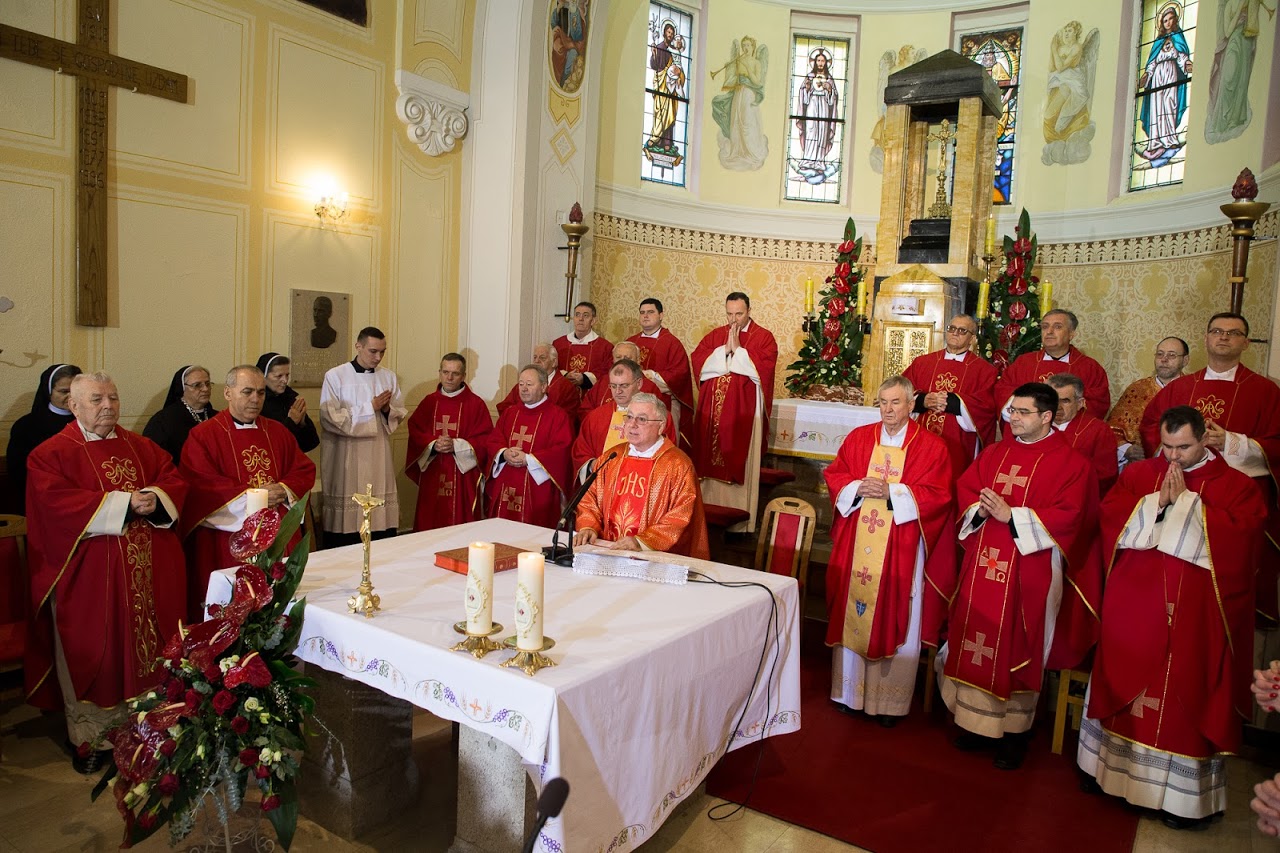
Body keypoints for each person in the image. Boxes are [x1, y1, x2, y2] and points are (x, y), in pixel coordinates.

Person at [1079, 406, 1266, 830]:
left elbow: (1243, 543)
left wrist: (1187, 506)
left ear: (1205, 440)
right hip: (1134, 608)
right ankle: (1108, 774)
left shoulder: (1237, 486)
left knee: (1186, 694)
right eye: (1166, 447)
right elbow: (1109, 519)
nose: (1174, 457)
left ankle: (1180, 802)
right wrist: (1156, 503)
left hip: (1194, 618)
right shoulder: (1139, 475)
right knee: (1123, 679)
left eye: (1183, 447)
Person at [24, 372, 187, 773]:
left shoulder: (140, 446)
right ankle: (94, 738)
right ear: (73, 405)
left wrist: (156, 497)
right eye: (96, 399)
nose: (108, 406)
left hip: (147, 572)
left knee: (150, 649)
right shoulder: (50, 454)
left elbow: (173, 478)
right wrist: (124, 505)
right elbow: (55, 505)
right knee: (98, 653)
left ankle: (152, 727)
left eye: (113, 397)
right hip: (90, 578)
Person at [938, 382, 1099, 770]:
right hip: (984, 562)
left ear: (1047, 416)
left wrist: (1013, 515)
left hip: (1031, 569)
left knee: (1020, 644)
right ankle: (975, 724)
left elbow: (1073, 517)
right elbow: (968, 488)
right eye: (1012, 411)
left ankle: (1015, 733)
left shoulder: (1071, 464)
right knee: (975, 634)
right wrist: (980, 509)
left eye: (1023, 412)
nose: (1013, 418)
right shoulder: (996, 452)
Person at [824, 377, 954, 726]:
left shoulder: (931, 446)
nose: (888, 409)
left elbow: (938, 494)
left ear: (912, 405)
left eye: (896, 402)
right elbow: (836, 475)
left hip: (902, 543)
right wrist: (856, 487)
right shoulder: (859, 438)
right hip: (858, 539)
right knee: (854, 607)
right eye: (883, 402)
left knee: (899, 607)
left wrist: (893, 492)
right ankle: (849, 694)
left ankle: (889, 703)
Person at [1140, 312, 1280, 624]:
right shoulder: (1180, 388)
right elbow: (1150, 426)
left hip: (1234, 493)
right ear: (1206, 338)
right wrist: (1181, 450)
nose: (1224, 337)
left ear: (1246, 343)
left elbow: (1277, 443)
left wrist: (1232, 442)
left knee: (1229, 566)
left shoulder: (1265, 390)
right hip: (1180, 483)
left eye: (1233, 333)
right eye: (1217, 331)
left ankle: (1228, 618)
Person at [180, 366, 316, 619]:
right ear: (228, 393)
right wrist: (256, 496)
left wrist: (283, 489)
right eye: (247, 392)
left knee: (280, 610)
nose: (255, 399)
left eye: (261, 392)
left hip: (278, 534)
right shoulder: (203, 436)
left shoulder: (278, 431)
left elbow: (303, 469)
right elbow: (201, 484)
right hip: (229, 538)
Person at [574, 393, 709, 559]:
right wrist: (588, 526)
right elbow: (590, 498)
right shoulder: (612, 457)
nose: (632, 424)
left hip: (653, 558)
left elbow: (682, 514)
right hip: (609, 552)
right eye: (629, 417)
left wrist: (642, 542)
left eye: (642, 419)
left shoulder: (677, 465)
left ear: (661, 426)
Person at [690, 292, 778, 532]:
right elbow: (698, 360)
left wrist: (739, 352)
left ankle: (740, 525)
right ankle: (706, 521)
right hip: (713, 415)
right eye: (729, 314)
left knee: (740, 459)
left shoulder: (763, 337)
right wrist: (723, 352)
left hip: (745, 416)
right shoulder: (716, 335)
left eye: (739, 314)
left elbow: (765, 369)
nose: (733, 320)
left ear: (749, 311)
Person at [319, 327, 407, 547]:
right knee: (348, 523)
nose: (378, 357)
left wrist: (386, 410)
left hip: (378, 454)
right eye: (373, 351)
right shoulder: (336, 376)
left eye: (382, 352)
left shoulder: (388, 377)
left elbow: (398, 414)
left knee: (379, 516)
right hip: (346, 455)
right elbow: (330, 417)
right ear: (358, 346)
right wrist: (371, 407)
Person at [405, 353, 495, 532]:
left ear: (463, 376)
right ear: (439, 373)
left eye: (455, 373)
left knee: (460, 525)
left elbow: (485, 439)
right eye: (445, 372)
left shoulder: (475, 404)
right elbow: (415, 430)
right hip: (433, 471)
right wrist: (432, 443)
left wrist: (456, 445)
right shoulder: (429, 402)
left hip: (463, 476)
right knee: (430, 518)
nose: (449, 377)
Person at [901, 315, 997, 478]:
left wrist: (952, 402)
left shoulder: (984, 370)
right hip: (920, 437)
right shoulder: (922, 362)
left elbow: (986, 407)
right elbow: (901, 392)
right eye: (952, 328)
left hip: (959, 442)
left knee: (952, 478)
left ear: (972, 338)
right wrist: (923, 400)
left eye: (962, 330)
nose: (955, 333)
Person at [994, 309, 1110, 436]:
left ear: (1071, 334)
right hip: (1027, 435)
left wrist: (1061, 416)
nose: (1049, 332)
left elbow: (1098, 404)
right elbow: (1002, 391)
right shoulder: (1023, 363)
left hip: (1069, 437)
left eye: (1057, 327)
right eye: (1045, 327)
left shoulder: (1089, 368)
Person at [485, 365, 573, 527]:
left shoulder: (558, 416)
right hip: (506, 484)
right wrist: (504, 453)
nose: (524, 389)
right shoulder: (510, 413)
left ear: (544, 387)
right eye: (521, 384)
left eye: (529, 384)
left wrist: (528, 459)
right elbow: (494, 440)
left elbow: (562, 450)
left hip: (538, 489)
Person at [572, 359, 675, 482]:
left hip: (642, 483)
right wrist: (594, 464)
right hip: (604, 484)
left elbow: (668, 455)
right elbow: (581, 452)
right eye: (613, 386)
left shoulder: (657, 416)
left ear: (639, 383)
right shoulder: (595, 417)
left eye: (624, 385)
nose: (618, 391)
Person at [6, 363, 81, 513]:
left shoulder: (90, 422)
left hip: (82, 498)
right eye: (64, 391)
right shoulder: (26, 426)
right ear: (48, 391)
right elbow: (18, 472)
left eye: (75, 391)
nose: (71, 397)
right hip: (42, 500)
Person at [1106, 337, 1190, 466]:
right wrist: (1126, 449)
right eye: (1160, 354)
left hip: (1184, 464)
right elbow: (1113, 428)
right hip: (1142, 465)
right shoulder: (1137, 389)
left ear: (1185, 360)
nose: (1164, 359)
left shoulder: (1193, 390)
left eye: (1171, 355)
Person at [627, 298, 696, 447]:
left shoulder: (672, 342)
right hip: (634, 403)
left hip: (664, 402)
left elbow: (680, 374)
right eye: (642, 313)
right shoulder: (630, 342)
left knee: (664, 444)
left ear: (661, 315)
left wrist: (651, 375)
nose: (645, 316)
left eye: (650, 312)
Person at [1138, 4, 1193, 165]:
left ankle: (1169, 139)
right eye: (1165, 20)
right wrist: (1147, 75)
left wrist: (1187, 64)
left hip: (1171, 75)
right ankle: (1155, 142)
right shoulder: (1158, 42)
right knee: (1156, 107)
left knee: (1169, 104)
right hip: (1157, 77)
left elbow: (1181, 56)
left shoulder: (1178, 38)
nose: (1168, 22)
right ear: (1161, 23)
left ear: (1175, 20)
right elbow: (1152, 62)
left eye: (1170, 19)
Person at [1047, 374, 1119, 495]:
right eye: (1053, 400)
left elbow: (1106, 476)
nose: (1058, 407)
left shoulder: (1098, 430)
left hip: (1077, 497)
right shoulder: (1036, 425)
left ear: (1080, 403)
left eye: (1065, 401)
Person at [143, 365, 217, 464]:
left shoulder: (219, 418)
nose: (205, 389)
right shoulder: (163, 421)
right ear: (182, 388)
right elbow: (153, 458)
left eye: (207, 384)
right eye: (197, 385)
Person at [496, 343, 582, 428]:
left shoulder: (566, 387)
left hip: (547, 431)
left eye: (542, 358)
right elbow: (505, 407)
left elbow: (567, 419)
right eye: (535, 357)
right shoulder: (523, 384)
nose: (536, 361)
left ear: (554, 362)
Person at [579, 340, 664, 415]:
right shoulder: (603, 382)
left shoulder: (650, 387)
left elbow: (657, 416)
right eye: (618, 357)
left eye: (627, 358)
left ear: (638, 360)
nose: (622, 361)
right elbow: (586, 410)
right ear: (613, 360)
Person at [256, 352, 320, 453]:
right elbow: (266, 445)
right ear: (263, 376)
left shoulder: (289, 398)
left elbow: (311, 443)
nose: (285, 380)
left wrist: (302, 423)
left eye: (287, 375)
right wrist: (291, 422)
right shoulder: (256, 403)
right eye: (279, 376)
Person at [796, 48, 839, 179]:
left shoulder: (830, 79)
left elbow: (833, 99)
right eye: (818, 61)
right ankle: (808, 160)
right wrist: (807, 88)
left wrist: (830, 90)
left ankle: (819, 162)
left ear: (826, 63)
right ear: (815, 62)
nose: (820, 63)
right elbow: (803, 96)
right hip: (812, 106)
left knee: (821, 133)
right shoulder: (809, 77)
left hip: (824, 108)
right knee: (810, 131)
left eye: (822, 61)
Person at [645, 20, 686, 154]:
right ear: (664, 33)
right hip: (661, 84)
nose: (670, 34)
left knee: (670, 114)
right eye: (668, 32)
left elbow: (679, 69)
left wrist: (679, 75)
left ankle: (668, 142)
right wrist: (654, 54)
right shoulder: (659, 47)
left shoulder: (674, 51)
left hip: (671, 87)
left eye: (672, 33)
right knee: (660, 112)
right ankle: (656, 138)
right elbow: (654, 66)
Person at [553, 302, 614, 392]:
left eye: (585, 315)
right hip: (562, 394)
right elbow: (550, 368)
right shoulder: (558, 344)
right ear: (574, 318)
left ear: (593, 320)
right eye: (577, 315)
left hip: (591, 395)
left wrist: (585, 378)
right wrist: (565, 375)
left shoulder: (605, 347)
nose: (580, 319)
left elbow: (607, 372)